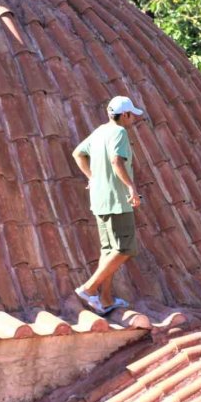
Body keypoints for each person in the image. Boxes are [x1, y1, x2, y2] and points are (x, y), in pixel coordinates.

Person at [72, 95, 144, 315]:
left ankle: (105, 300)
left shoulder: (100, 131)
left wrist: (92, 177)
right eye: (132, 115)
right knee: (125, 248)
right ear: (125, 115)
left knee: (108, 250)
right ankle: (89, 288)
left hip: (99, 200)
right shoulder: (119, 132)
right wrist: (131, 188)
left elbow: (78, 153)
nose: (133, 119)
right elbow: (116, 160)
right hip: (117, 200)